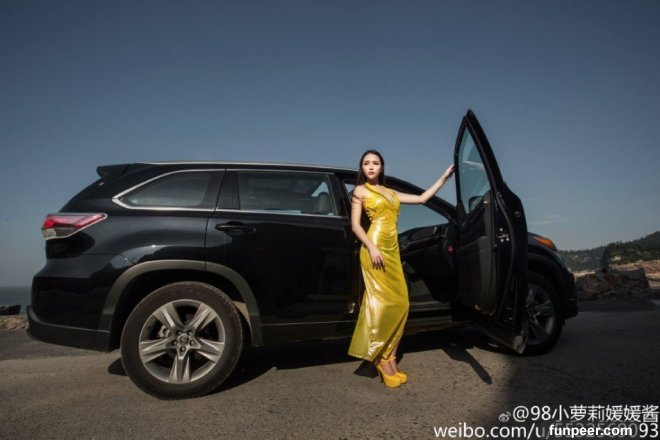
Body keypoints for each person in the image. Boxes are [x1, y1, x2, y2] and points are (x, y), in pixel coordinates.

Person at [347, 149, 455, 388]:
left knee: (402, 304)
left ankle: (390, 358)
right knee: (383, 305)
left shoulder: (391, 192)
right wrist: (371, 247)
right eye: (366, 163)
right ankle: (383, 361)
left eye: (375, 163)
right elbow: (355, 225)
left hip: (392, 250)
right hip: (374, 249)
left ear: (382, 167)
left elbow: (423, 198)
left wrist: (443, 178)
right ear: (362, 168)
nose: (371, 166)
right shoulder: (360, 191)